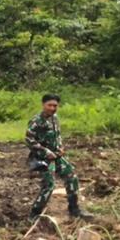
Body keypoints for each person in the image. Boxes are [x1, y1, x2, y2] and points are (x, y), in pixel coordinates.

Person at [26, 93, 93, 221]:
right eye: (49, 105)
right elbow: (29, 140)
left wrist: (60, 147)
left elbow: (58, 135)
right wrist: (46, 152)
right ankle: (34, 215)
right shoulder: (36, 121)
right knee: (49, 185)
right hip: (43, 158)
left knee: (71, 177)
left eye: (55, 105)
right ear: (43, 105)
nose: (52, 108)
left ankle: (74, 209)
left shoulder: (55, 118)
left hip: (56, 155)